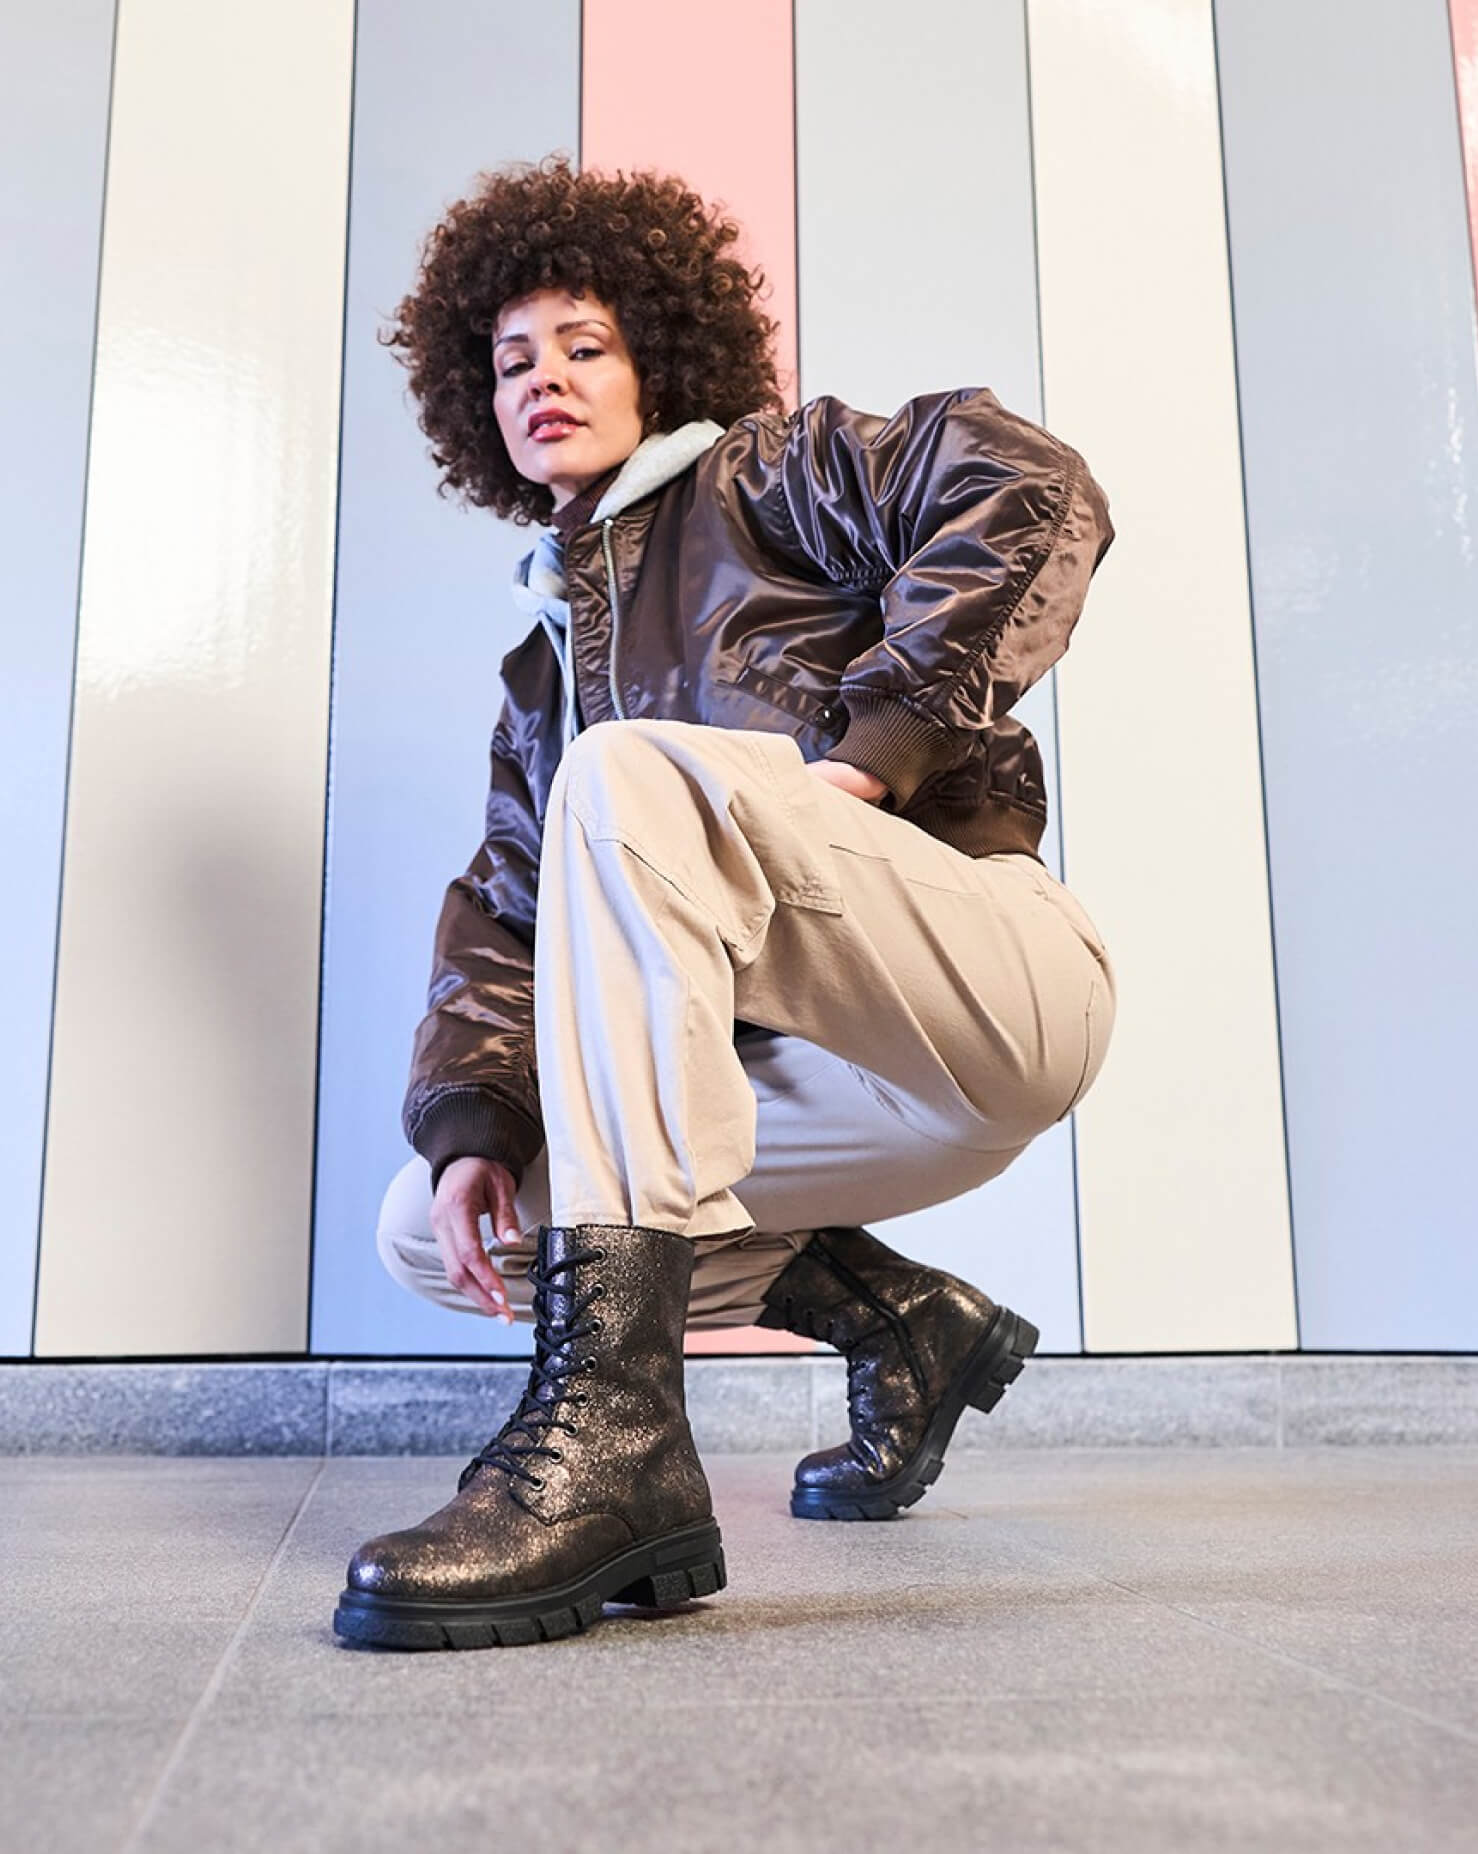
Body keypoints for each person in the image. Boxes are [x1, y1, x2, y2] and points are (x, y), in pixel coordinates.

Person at [334, 154, 1116, 1651]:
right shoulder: (540, 676)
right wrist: (474, 1122)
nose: (544, 379)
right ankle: (903, 1319)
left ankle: (615, 1446)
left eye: (584, 344)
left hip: (983, 982)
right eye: (511, 360)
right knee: (433, 1229)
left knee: (628, 772)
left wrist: (884, 744)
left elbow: (1031, 488)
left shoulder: (770, 474)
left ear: (658, 360)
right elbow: (506, 918)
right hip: (824, 1089)